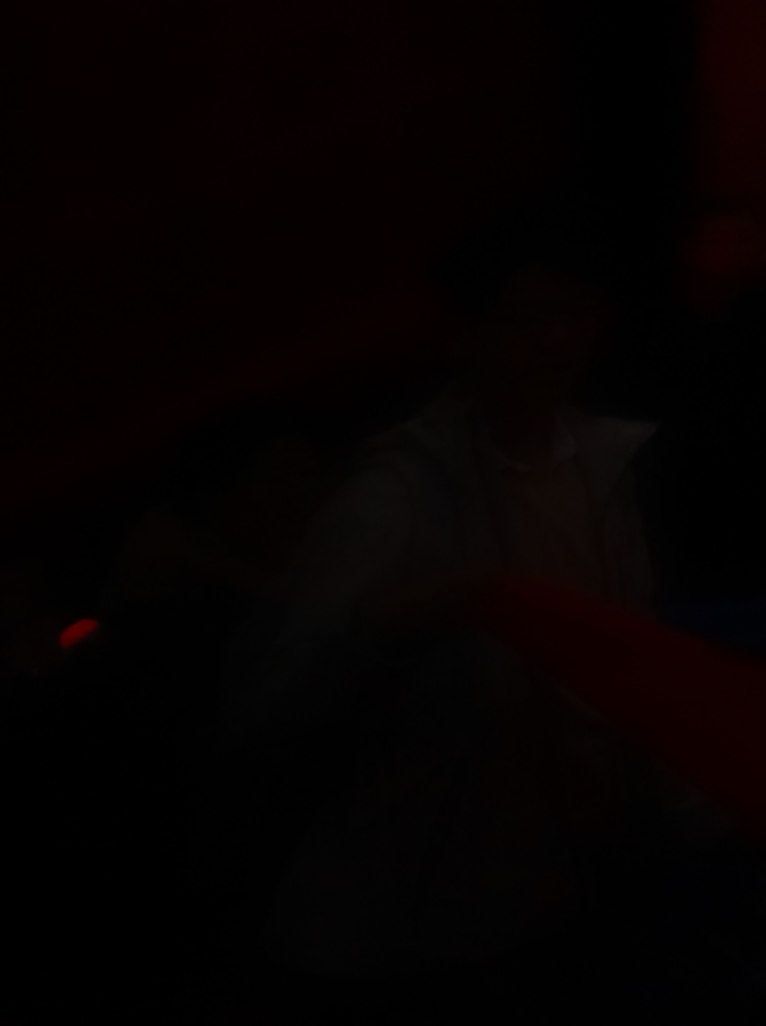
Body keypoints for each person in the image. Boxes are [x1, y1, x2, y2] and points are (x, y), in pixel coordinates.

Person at [220, 212, 663, 1004]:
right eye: (528, 319)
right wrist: (390, 627)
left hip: (555, 891)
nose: (559, 340)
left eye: (576, 315)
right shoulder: (396, 498)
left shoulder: (603, 470)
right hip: (420, 923)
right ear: (463, 337)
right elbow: (266, 706)